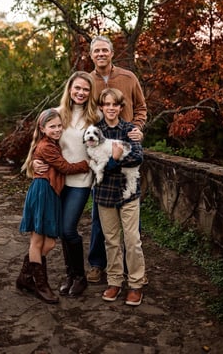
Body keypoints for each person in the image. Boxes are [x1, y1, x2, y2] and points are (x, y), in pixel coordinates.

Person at [33, 72, 100, 297]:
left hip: (80, 182)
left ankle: (80, 277)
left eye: (85, 89)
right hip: (57, 181)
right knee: (60, 230)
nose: (80, 93)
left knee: (68, 228)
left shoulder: (95, 116)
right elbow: (41, 140)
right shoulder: (58, 114)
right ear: (70, 89)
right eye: (77, 88)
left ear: (90, 92)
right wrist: (34, 161)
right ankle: (70, 275)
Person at [87, 35, 147, 283]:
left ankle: (132, 270)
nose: (101, 54)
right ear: (91, 55)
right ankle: (98, 264)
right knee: (100, 215)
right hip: (99, 147)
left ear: (112, 53)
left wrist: (138, 128)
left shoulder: (128, 77)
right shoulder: (88, 81)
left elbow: (141, 107)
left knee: (131, 214)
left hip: (125, 143)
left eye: (105, 50)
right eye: (96, 51)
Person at [16, 108, 90, 304]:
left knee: (49, 243)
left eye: (59, 126)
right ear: (42, 128)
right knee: (37, 242)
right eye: (52, 127)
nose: (57, 129)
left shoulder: (52, 143)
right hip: (42, 192)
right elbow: (65, 167)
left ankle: (26, 276)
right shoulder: (46, 147)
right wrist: (88, 163)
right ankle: (41, 285)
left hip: (51, 193)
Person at [94, 88, 145, 306]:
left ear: (121, 108)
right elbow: (96, 164)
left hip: (128, 193)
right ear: (101, 107)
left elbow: (136, 158)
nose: (111, 108)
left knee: (132, 241)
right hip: (105, 194)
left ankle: (135, 284)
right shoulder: (95, 132)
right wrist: (114, 160)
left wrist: (112, 161)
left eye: (115, 105)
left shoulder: (130, 129)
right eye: (107, 104)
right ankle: (114, 281)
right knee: (111, 241)